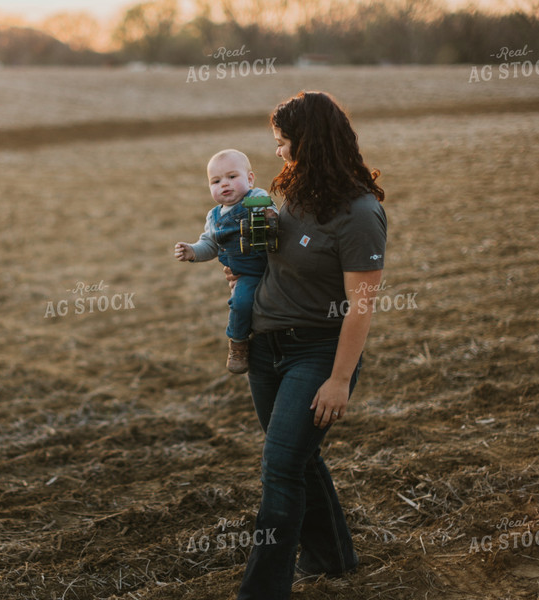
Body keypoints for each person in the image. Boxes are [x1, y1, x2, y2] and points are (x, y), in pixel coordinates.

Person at [228, 91, 387, 600]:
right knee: (299, 460)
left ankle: (261, 591)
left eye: (284, 143)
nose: (278, 152)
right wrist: (242, 271)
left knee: (279, 468)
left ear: (310, 142)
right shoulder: (289, 192)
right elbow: (276, 260)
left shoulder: (360, 214)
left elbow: (360, 306)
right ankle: (334, 558)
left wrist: (339, 379)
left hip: (316, 354)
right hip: (265, 349)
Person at [174, 149, 277, 374]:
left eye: (232, 177)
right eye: (216, 181)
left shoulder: (255, 197)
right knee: (240, 304)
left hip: (274, 266)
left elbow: (270, 212)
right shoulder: (214, 217)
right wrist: (193, 251)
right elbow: (210, 245)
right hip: (246, 274)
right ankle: (238, 343)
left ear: (249, 179)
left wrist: (267, 214)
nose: (224, 184)